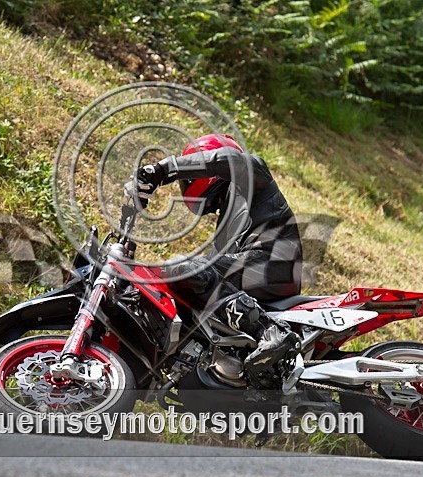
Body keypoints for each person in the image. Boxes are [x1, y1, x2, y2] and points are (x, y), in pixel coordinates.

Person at [125, 134, 303, 372]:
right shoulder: (226, 225)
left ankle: (271, 332)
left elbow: (227, 160)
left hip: (272, 264)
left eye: (190, 176)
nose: (186, 185)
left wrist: (163, 169)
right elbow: (208, 279)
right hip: (255, 274)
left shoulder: (252, 176)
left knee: (183, 267)